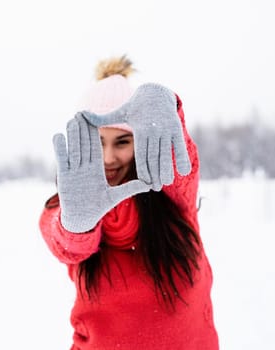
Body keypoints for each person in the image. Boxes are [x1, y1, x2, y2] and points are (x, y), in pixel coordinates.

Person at [39, 56, 219, 349]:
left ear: (142, 140)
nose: (109, 158)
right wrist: (76, 224)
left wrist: (168, 111)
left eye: (122, 141)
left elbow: (181, 170)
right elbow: (64, 241)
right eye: (98, 142)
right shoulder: (69, 206)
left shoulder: (171, 197)